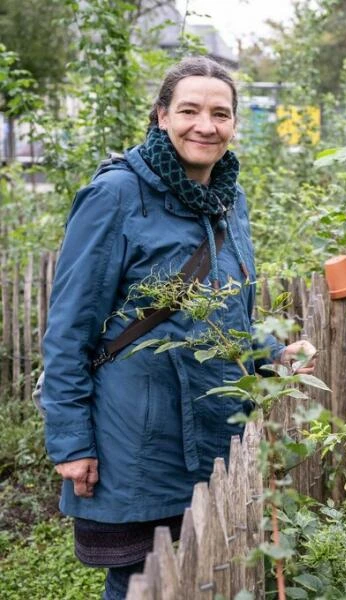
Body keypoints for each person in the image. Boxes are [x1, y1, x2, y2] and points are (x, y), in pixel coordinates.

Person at [41, 56, 316, 600]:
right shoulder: (116, 195)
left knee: (204, 568)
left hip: (216, 425)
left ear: (236, 123)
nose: (205, 126)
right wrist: (71, 439)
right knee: (144, 578)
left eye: (220, 113)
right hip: (138, 436)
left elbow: (221, 315)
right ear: (161, 115)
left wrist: (271, 352)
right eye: (189, 110)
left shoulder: (229, 200)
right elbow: (68, 327)